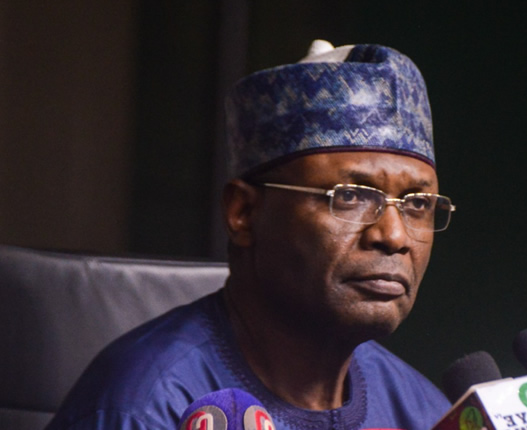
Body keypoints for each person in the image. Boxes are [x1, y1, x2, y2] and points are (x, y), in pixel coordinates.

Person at [47, 40, 455, 430]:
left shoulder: (423, 412)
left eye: (418, 204)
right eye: (350, 196)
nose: (394, 235)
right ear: (243, 212)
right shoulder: (143, 409)